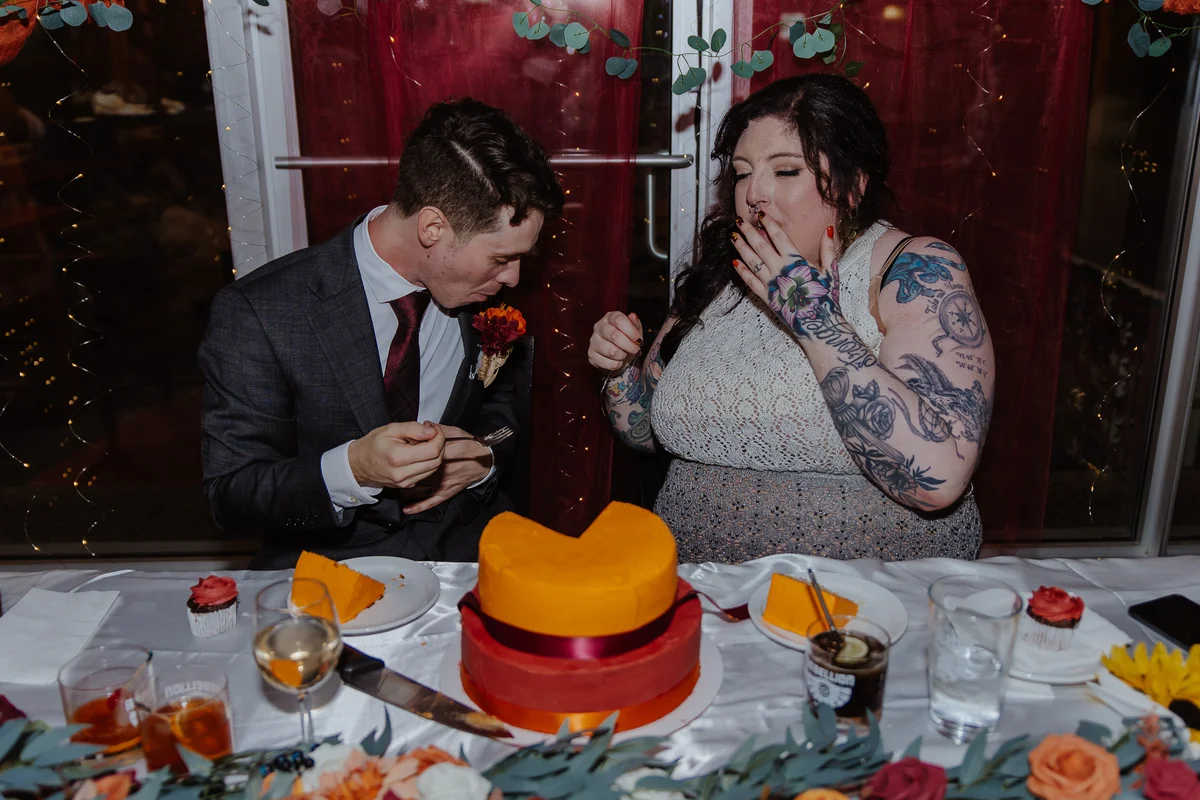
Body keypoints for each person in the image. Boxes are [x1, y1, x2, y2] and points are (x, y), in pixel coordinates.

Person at [588, 75, 993, 563]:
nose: (753, 193)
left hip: (864, 601)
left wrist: (813, 319)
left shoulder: (912, 270)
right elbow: (644, 432)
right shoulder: (720, 275)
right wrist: (617, 371)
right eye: (741, 173)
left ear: (852, 185)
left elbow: (939, 479)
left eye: (785, 171)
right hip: (704, 591)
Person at [200, 98, 563, 568]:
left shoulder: (475, 287)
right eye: (500, 258)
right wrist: (350, 471)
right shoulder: (260, 312)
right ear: (433, 227)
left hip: (471, 554)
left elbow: (502, 409)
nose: (513, 279)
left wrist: (483, 460)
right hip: (331, 568)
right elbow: (230, 494)